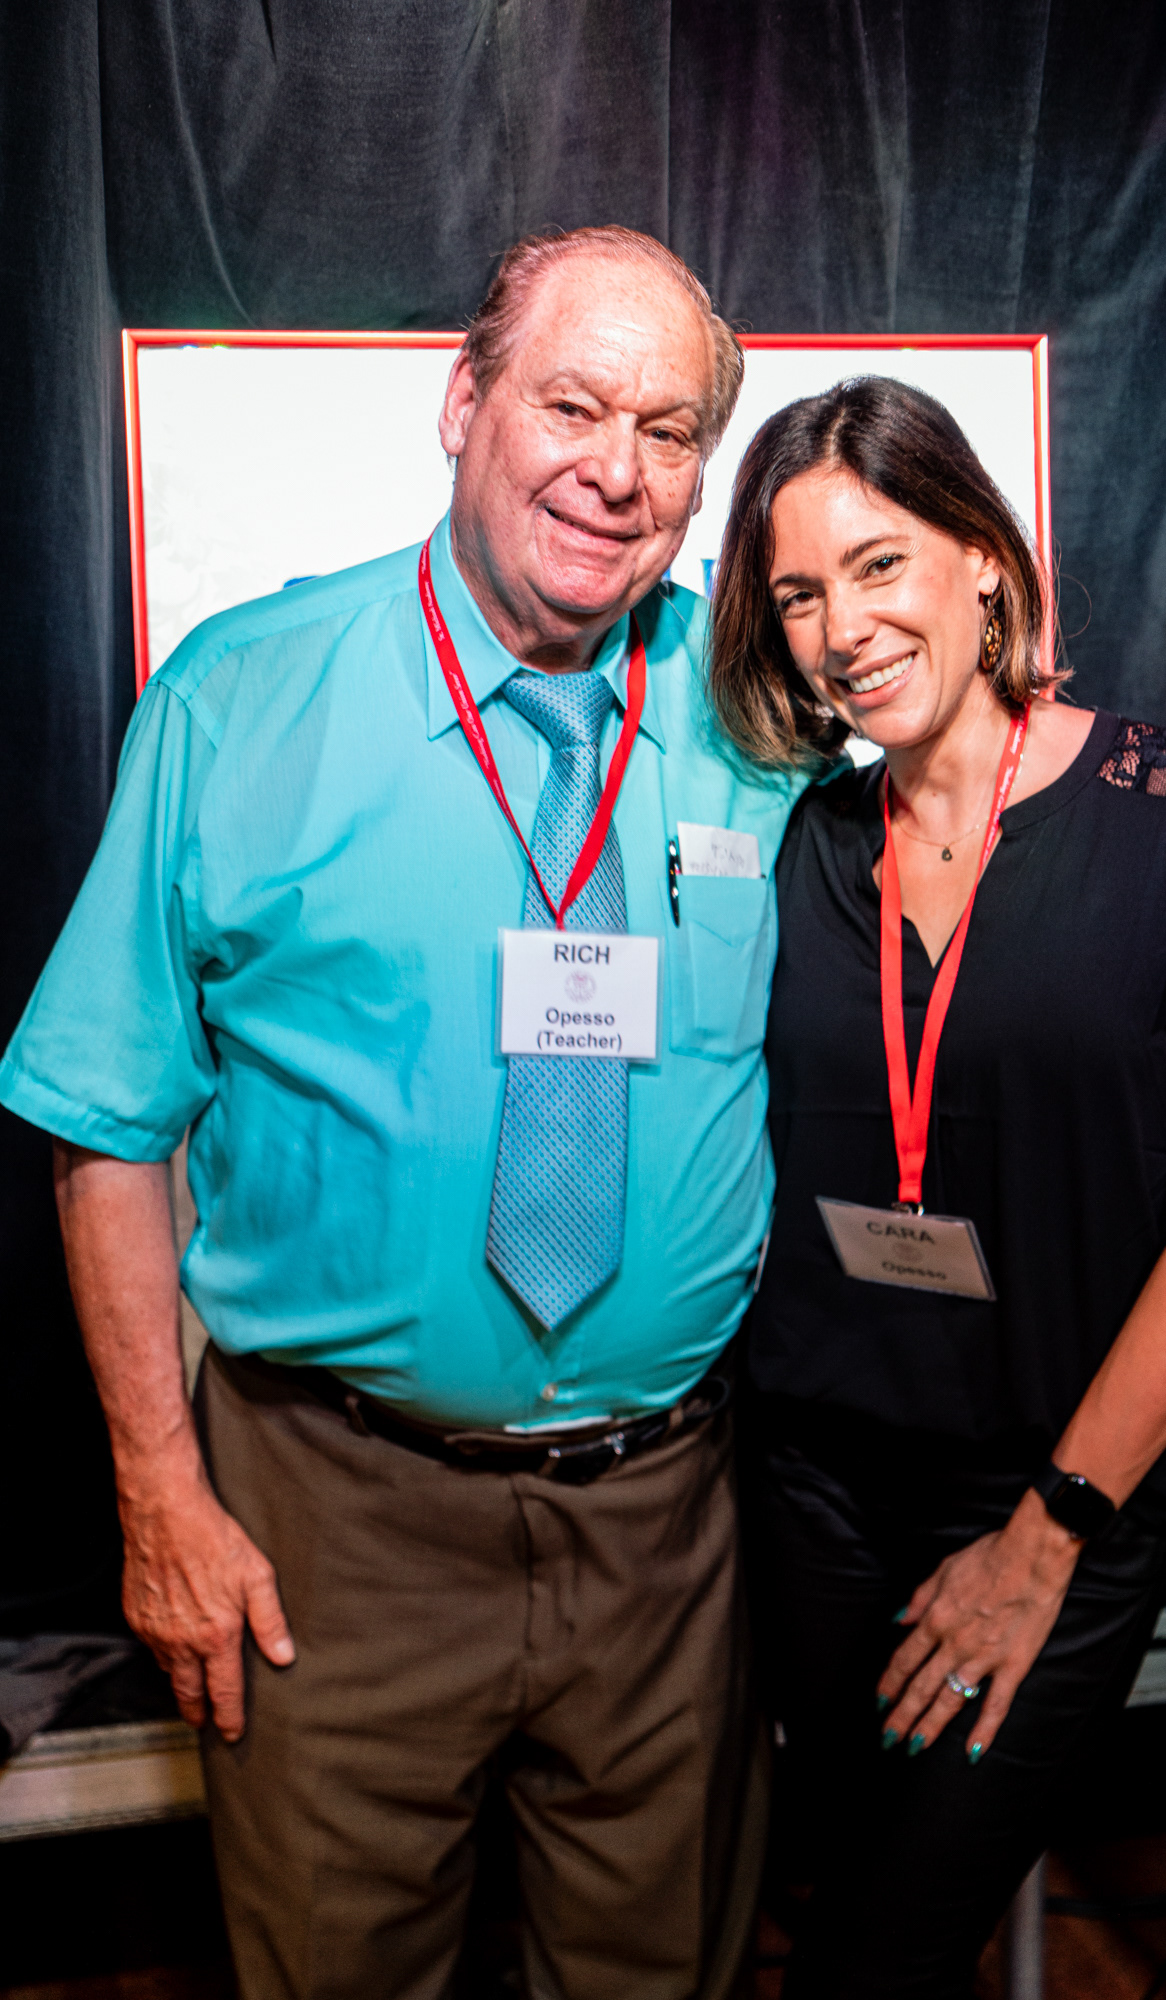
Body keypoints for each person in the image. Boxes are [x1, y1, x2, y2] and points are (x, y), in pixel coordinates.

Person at [0, 226, 803, 2000]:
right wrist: (158, 1496)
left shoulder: (757, 713)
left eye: (669, 432)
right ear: (462, 403)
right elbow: (104, 1123)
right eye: (571, 405)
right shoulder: (241, 697)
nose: (614, 470)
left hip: (667, 1522)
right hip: (331, 1530)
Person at [707, 375, 1166, 1997]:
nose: (840, 628)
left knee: (877, 1952)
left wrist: (1044, 1536)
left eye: (877, 563)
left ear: (981, 557)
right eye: (795, 594)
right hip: (813, 1487)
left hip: (1058, 1490)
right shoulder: (794, 838)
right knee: (833, 1893)